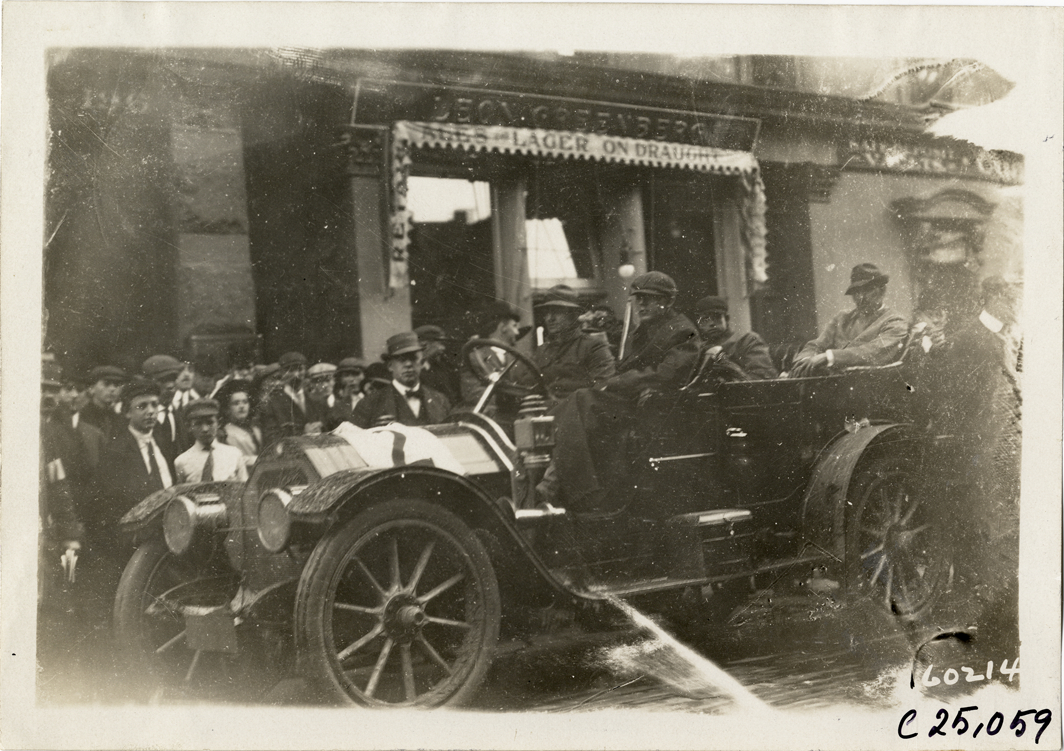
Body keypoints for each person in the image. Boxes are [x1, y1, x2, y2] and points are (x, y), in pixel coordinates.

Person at [545, 272, 700, 510]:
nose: (641, 305)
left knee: (582, 399)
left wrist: (619, 382)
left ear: (668, 302)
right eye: (638, 299)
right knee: (564, 406)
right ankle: (557, 481)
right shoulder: (647, 330)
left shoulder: (682, 331)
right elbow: (629, 367)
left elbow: (666, 376)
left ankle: (571, 489)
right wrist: (616, 381)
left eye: (649, 299)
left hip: (657, 407)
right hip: (636, 400)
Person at [788, 263, 908, 377]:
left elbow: (873, 352)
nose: (861, 298)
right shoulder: (842, 318)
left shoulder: (895, 322)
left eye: (867, 290)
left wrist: (829, 357)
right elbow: (816, 345)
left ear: (882, 290)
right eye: (856, 292)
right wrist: (804, 360)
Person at [532, 285, 616, 402]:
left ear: (574, 315)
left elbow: (602, 390)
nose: (550, 318)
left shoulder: (594, 346)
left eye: (557, 312)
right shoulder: (542, 351)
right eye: (547, 313)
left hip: (577, 414)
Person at [352, 332, 451, 429]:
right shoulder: (369, 404)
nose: (408, 364)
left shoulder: (440, 400)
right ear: (390, 366)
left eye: (413, 358)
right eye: (401, 359)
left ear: (422, 363)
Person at [691, 296, 778, 381]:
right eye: (705, 319)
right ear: (699, 324)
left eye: (716, 317)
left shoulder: (748, 341)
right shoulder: (700, 349)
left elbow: (764, 381)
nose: (712, 323)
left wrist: (734, 370)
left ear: (727, 319)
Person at [460, 301, 523, 408]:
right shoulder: (475, 358)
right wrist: (502, 400)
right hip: (492, 415)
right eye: (514, 326)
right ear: (503, 327)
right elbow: (471, 392)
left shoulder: (519, 358)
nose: (517, 333)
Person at [258, 351, 327, 447]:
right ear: (282, 372)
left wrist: (321, 428)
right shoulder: (273, 403)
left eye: (300, 370)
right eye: (290, 370)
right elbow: (271, 438)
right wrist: (302, 433)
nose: (296, 375)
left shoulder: (316, 400)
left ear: (305, 371)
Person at [174, 399, 248, 484]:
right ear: (189, 427)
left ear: (219, 423)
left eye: (210, 422)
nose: (205, 429)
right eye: (198, 424)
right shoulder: (182, 461)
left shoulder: (234, 454)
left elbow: (245, 489)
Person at [142, 354, 193, 464]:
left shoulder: (180, 415)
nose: (170, 385)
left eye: (173, 379)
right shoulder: (142, 417)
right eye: (163, 380)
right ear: (148, 382)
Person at [215, 379, 262, 468]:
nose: (241, 406)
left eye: (245, 402)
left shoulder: (256, 429)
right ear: (227, 409)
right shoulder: (225, 433)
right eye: (236, 403)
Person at [415, 325, 462, 406]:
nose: (443, 348)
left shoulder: (442, 366)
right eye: (440, 344)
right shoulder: (412, 370)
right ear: (424, 344)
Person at [78, 365, 127, 437]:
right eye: (106, 384)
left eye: (116, 385)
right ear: (91, 388)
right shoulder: (83, 417)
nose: (112, 389)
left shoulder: (119, 419)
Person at [325, 358, 366, 431]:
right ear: (340, 379)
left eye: (355, 374)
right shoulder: (331, 401)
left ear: (363, 376)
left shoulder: (369, 397)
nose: (351, 379)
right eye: (346, 375)